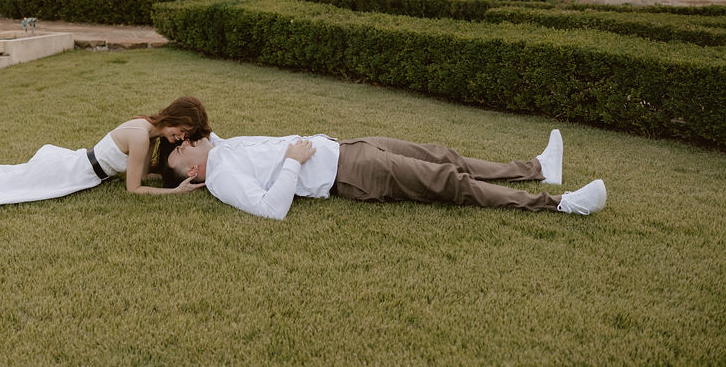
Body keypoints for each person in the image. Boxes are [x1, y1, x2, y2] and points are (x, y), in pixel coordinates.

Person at [164, 128, 607, 220]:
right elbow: (270, 209)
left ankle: (538, 169)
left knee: (444, 155)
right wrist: (294, 162)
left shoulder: (220, 149)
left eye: (181, 141)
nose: (183, 143)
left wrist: (158, 131)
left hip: (349, 147)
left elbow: (190, 119)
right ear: (196, 172)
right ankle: (563, 204)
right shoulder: (220, 177)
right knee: (448, 184)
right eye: (180, 152)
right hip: (351, 172)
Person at [0, 96, 210, 206]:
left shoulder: (145, 129)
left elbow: (136, 169)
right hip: (66, 171)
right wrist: (176, 192)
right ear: (174, 118)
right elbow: (133, 187)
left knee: (0, 176)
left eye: (185, 137)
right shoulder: (140, 136)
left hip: (71, 163)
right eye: (182, 131)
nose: (179, 139)